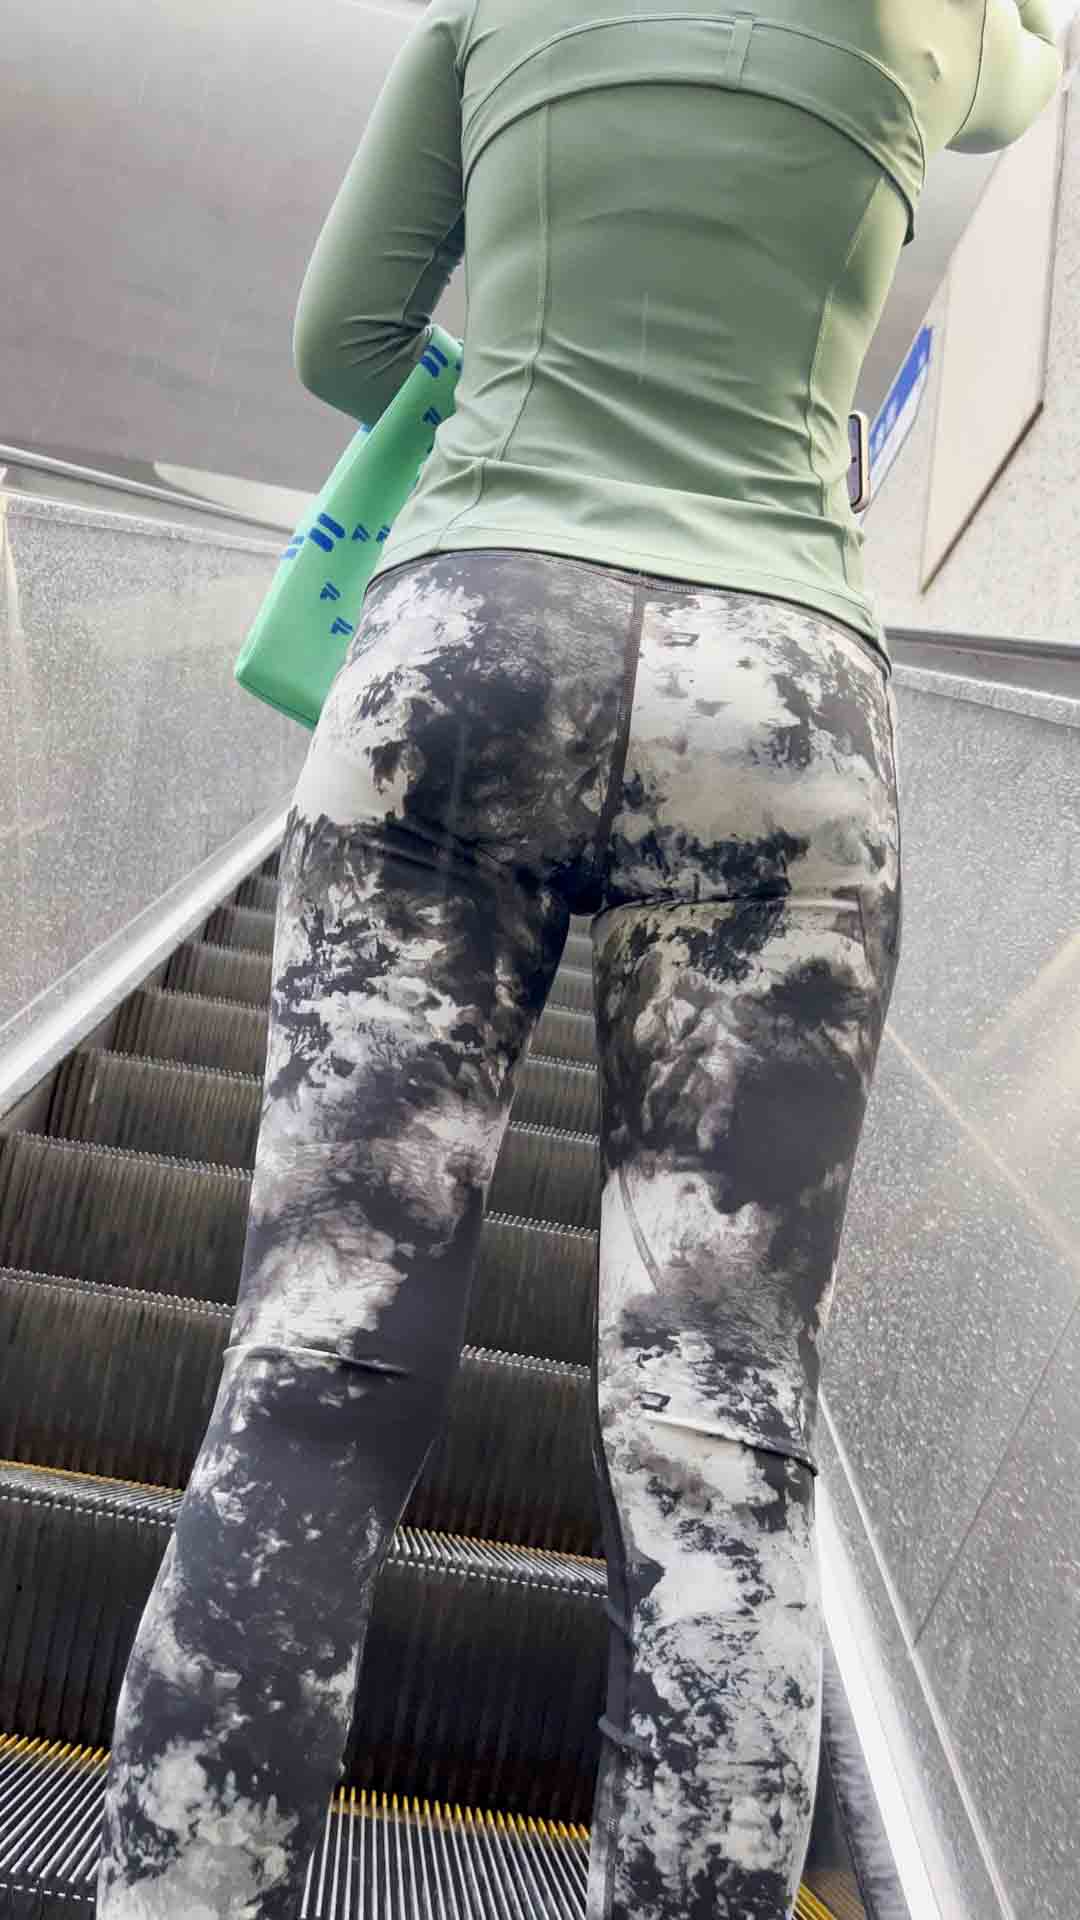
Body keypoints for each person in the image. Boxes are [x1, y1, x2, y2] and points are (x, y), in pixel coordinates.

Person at [97, 3, 1063, 1916]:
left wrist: (512, 391)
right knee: (723, 1427)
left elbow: (342, 339)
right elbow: (1028, 72)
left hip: (473, 634)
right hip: (782, 693)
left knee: (314, 1360)